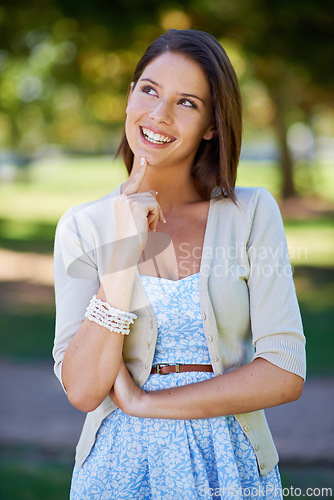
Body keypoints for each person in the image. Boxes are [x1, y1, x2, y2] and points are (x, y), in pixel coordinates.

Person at [53, 29, 306, 499]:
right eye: (149, 90)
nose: (159, 114)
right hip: (118, 471)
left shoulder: (250, 214)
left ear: (212, 124)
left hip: (231, 463)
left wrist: (146, 403)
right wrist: (124, 251)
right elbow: (84, 390)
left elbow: (285, 370)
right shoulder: (82, 227)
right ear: (129, 97)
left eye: (187, 102)